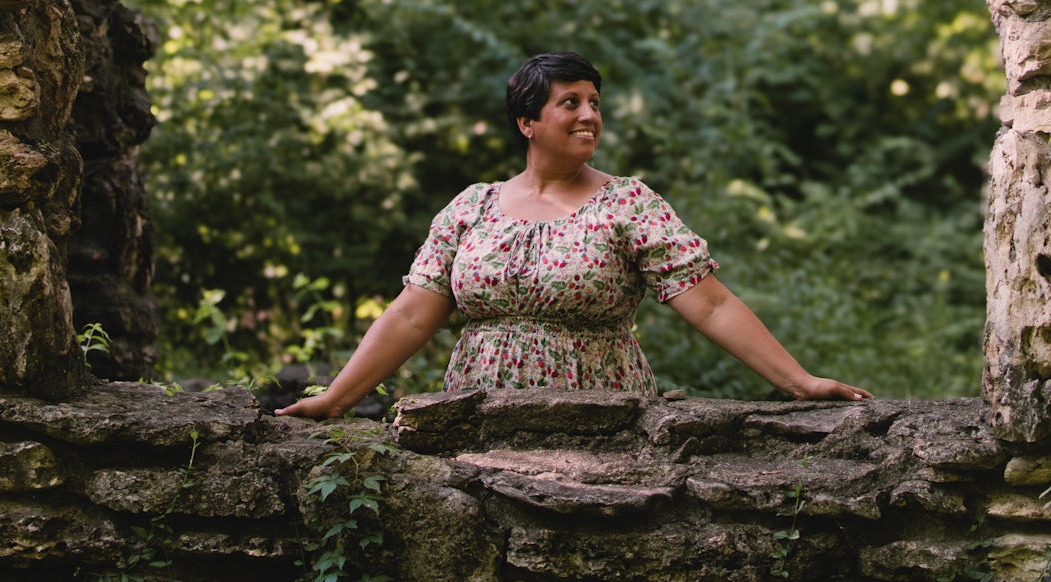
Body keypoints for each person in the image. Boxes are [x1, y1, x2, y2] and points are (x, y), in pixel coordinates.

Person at [276, 51, 870, 420]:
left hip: (599, 420)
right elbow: (411, 315)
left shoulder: (628, 202)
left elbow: (710, 304)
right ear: (527, 122)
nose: (589, 115)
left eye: (594, 102)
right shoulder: (471, 207)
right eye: (569, 103)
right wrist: (337, 399)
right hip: (478, 416)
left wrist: (799, 382)